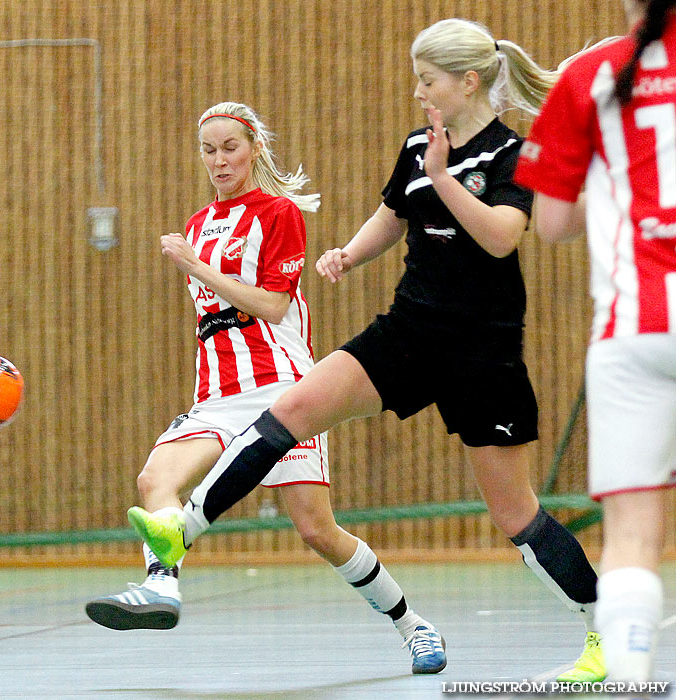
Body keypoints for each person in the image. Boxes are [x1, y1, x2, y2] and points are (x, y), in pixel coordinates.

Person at [129, 20, 608, 682]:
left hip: (482, 347)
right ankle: (181, 531)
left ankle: (599, 633)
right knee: (293, 407)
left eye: (428, 80)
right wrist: (349, 254)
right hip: (410, 328)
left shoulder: (510, 155)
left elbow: (502, 237)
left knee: (516, 514)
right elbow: (393, 213)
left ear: (467, 83)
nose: (418, 93)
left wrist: (442, 177)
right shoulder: (418, 146)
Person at [85, 101, 448, 675]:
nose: (219, 160)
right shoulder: (201, 224)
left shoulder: (278, 213)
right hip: (216, 395)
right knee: (155, 478)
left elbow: (274, 305)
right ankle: (163, 589)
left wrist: (194, 267)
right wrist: (195, 261)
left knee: (316, 528)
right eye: (209, 149)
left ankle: (413, 626)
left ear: (253, 148)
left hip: (279, 390)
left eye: (230, 146)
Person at [515, 0, 676, 683]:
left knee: (633, 538)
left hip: (633, 329)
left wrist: (610, 178)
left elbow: (550, 225)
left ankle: (634, 681)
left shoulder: (589, 74)